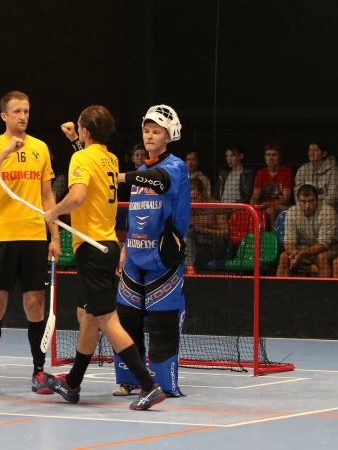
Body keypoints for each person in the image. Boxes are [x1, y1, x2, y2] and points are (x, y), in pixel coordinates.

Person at [39, 105, 165, 410]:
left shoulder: (81, 158)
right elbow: (91, 164)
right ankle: (72, 383)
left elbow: (78, 196)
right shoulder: (110, 158)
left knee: (107, 320)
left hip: (92, 250)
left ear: (86, 131)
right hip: (107, 245)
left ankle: (148, 386)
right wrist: (76, 141)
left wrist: (53, 213)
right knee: (88, 317)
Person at [0, 91, 61, 396]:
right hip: (1, 238)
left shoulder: (40, 148)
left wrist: (54, 235)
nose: (23, 116)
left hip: (33, 237)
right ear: (4, 116)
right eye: (17, 111)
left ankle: (38, 372)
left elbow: (47, 195)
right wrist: (7, 150)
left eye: (27, 111)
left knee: (35, 306)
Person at [110, 105, 190, 400]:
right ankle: (129, 379)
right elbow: (136, 217)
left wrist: (121, 176)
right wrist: (124, 248)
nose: (150, 136)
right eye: (146, 131)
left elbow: (161, 180)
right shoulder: (142, 170)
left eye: (156, 132)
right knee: (125, 321)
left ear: (168, 137)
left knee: (162, 325)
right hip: (133, 257)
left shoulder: (175, 168)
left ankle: (164, 384)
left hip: (163, 260)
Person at [277, 184, 338, 278]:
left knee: (322, 258)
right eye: (303, 202)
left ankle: (325, 287)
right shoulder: (292, 212)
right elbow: (288, 241)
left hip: (333, 246)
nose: (307, 206)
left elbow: (323, 244)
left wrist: (301, 253)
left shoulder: (327, 212)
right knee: (284, 257)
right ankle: (281, 287)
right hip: (309, 246)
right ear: (298, 201)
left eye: (311, 201)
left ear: (317, 200)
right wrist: (293, 253)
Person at [184, 178, 229, 274]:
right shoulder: (186, 207)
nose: (193, 202)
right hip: (192, 243)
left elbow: (225, 233)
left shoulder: (216, 206)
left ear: (203, 192)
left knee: (185, 254)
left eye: (196, 197)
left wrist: (203, 230)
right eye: (190, 199)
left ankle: (189, 271)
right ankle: (189, 271)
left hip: (212, 246)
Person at [250, 142, 293, 230]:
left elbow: (286, 199)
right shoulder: (260, 173)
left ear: (280, 158)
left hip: (282, 206)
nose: (271, 158)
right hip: (264, 206)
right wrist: (253, 205)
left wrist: (267, 205)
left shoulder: (287, 172)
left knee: (270, 211)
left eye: (274, 155)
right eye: (268, 155)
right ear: (265, 157)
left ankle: (274, 237)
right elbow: (255, 196)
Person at [294, 142, 338, 216]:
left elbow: (334, 196)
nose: (312, 153)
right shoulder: (302, 170)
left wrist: (315, 207)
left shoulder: (334, 171)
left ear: (324, 153)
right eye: (310, 150)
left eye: (316, 150)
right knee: (292, 212)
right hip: (306, 207)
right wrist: (304, 206)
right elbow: (297, 192)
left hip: (328, 207)